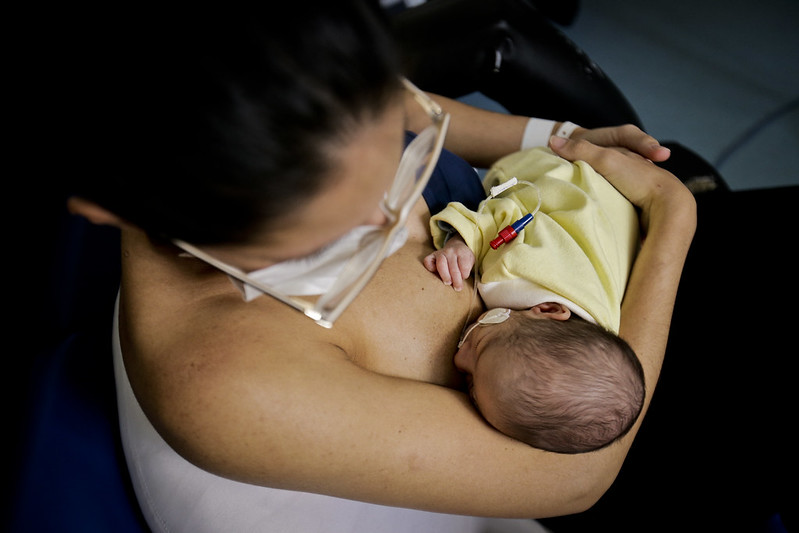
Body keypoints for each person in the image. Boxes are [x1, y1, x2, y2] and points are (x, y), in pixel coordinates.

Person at [62, 3, 794, 533]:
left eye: (397, 162)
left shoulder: (283, 68)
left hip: (582, 281)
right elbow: (576, 475)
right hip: (615, 439)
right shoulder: (222, 380)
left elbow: (412, 106)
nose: (396, 217)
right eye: (335, 232)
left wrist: (560, 137)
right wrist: (672, 221)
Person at [424, 146, 646, 454]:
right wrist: (464, 243)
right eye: (479, 346)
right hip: (564, 177)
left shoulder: (589, 335)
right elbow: (507, 215)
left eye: (471, 385)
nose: (459, 358)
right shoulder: (517, 271)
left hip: (617, 214)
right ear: (548, 309)